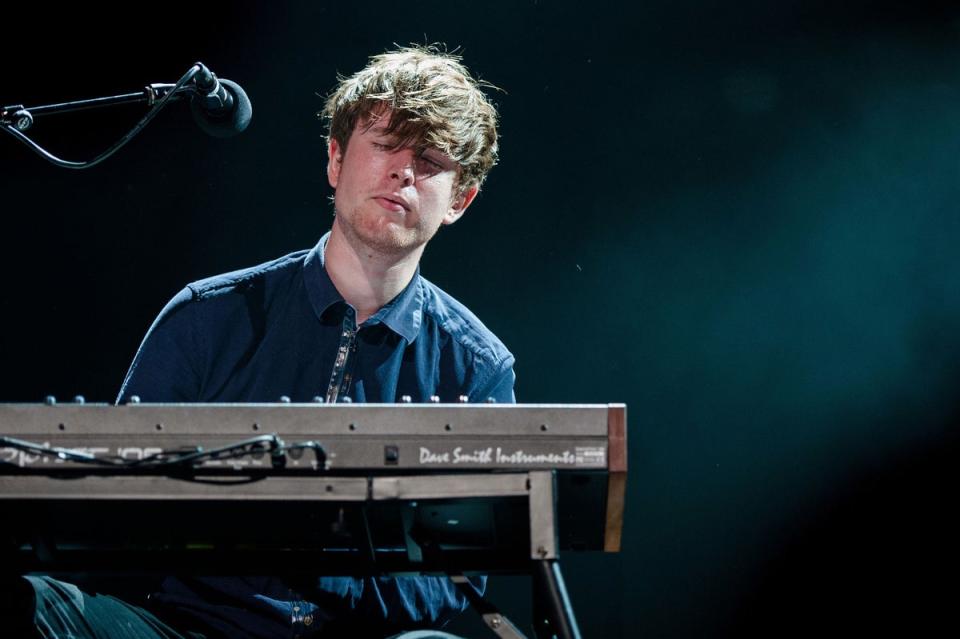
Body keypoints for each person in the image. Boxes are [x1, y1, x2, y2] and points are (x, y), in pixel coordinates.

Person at [8, 45, 515, 638]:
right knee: (32, 605)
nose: (404, 171)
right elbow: (117, 513)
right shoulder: (208, 315)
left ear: (460, 200)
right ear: (334, 159)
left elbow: (456, 576)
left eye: (429, 159)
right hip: (183, 627)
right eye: (384, 146)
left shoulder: (477, 367)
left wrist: (321, 557)